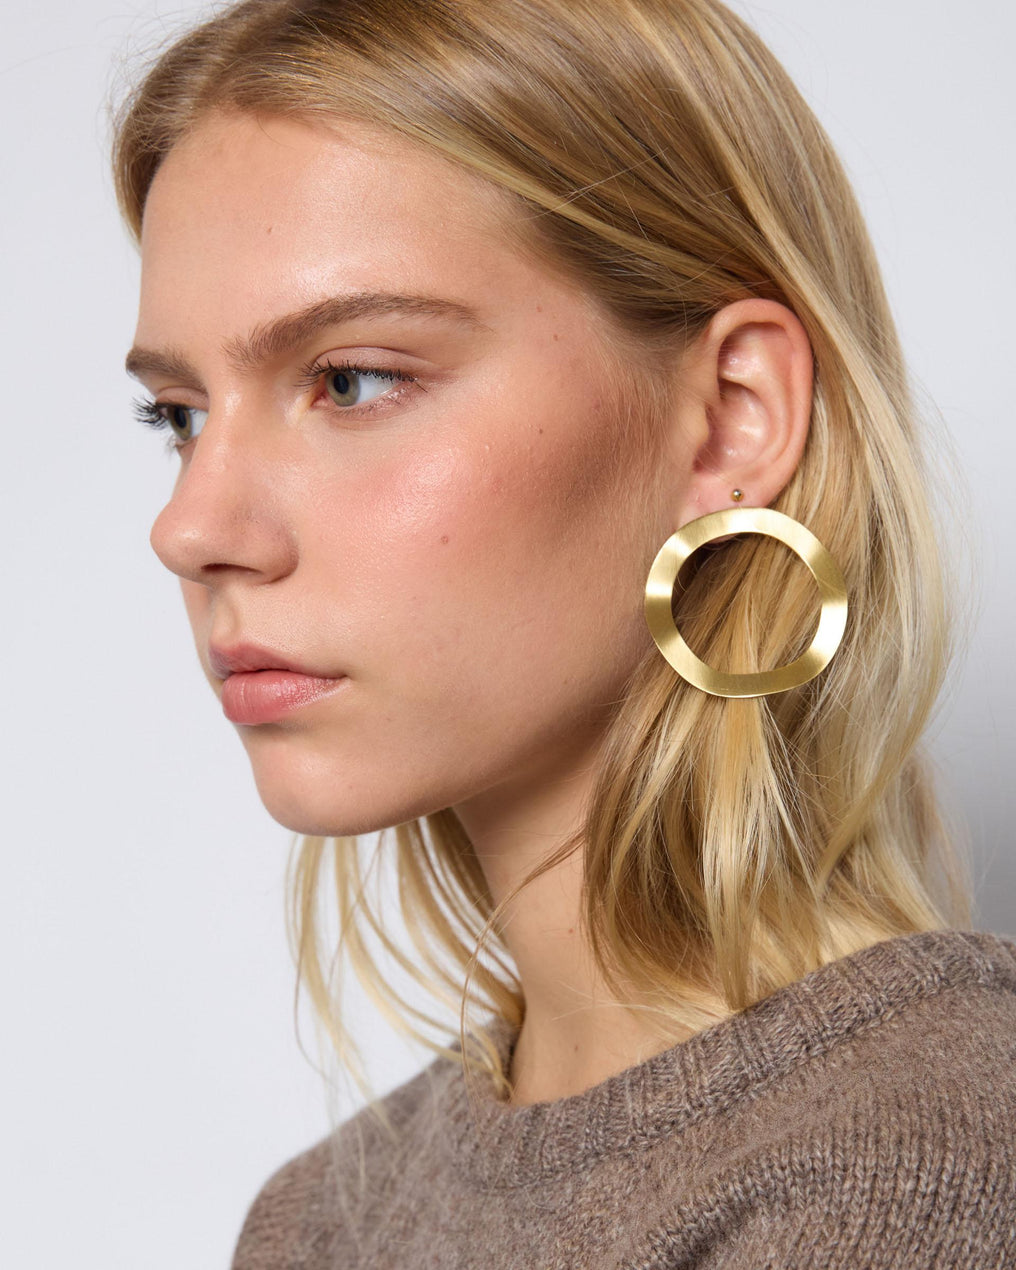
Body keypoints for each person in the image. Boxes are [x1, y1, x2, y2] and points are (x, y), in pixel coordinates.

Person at [113, 0, 1016, 1265]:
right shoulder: (315, 1221)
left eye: (352, 380)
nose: (191, 527)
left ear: (732, 415)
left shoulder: (919, 1160)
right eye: (180, 414)